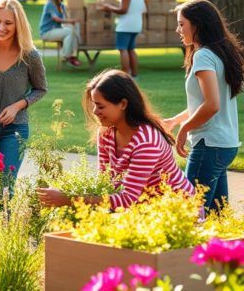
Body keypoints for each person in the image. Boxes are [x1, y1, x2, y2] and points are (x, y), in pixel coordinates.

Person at [37, 69, 195, 210]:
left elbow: (127, 199)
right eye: (94, 106)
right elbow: (105, 184)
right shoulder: (105, 134)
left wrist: (68, 199)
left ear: (123, 104)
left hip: (178, 213)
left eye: (100, 106)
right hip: (143, 213)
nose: (95, 112)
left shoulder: (146, 141)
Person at [163, 0, 244, 213]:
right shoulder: (218, 52)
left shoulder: (203, 56)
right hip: (224, 145)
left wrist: (185, 129)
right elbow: (205, 102)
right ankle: (223, 247)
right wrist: (175, 120)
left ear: (197, 25)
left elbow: (212, 105)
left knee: (192, 214)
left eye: (182, 24)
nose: (178, 29)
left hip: (209, 146)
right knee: (218, 216)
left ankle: (192, 249)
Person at [0, 0, 47, 189]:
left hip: (15, 130)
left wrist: (17, 106)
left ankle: (6, 220)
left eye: (8, 23)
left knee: (5, 186)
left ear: (18, 24)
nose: (1, 28)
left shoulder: (30, 55)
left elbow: (41, 88)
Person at [100, 0, 146, 80]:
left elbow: (123, 10)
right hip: (137, 25)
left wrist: (109, 7)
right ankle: (135, 75)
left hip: (125, 26)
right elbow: (144, 10)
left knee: (123, 49)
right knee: (131, 49)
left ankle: (126, 76)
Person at [39, 0, 82, 67]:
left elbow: (65, 19)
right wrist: (70, 21)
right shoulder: (50, 4)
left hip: (55, 30)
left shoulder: (61, 6)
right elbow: (56, 19)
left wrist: (72, 22)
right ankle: (67, 56)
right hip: (47, 32)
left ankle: (73, 55)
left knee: (73, 30)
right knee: (69, 33)